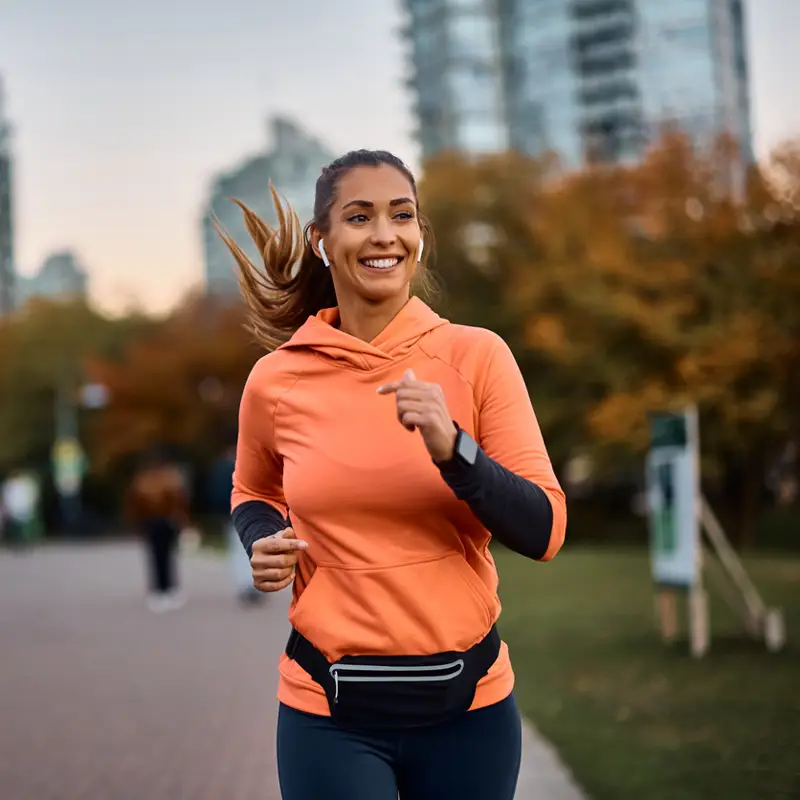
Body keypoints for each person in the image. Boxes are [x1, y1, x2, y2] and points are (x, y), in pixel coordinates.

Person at [216, 150, 567, 800]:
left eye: (401, 215)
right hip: (328, 711)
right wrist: (262, 536)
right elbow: (253, 488)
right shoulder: (276, 379)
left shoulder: (477, 356)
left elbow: (544, 530)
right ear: (322, 241)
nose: (384, 234)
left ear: (419, 236)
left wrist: (454, 450)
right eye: (360, 216)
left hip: (471, 712)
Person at [125, 450, 189, 613]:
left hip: (153, 523)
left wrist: (137, 524)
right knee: (166, 556)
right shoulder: (170, 479)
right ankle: (167, 588)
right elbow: (179, 501)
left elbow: (135, 504)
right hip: (164, 522)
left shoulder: (143, 481)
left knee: (157, 557)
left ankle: (160, 589)